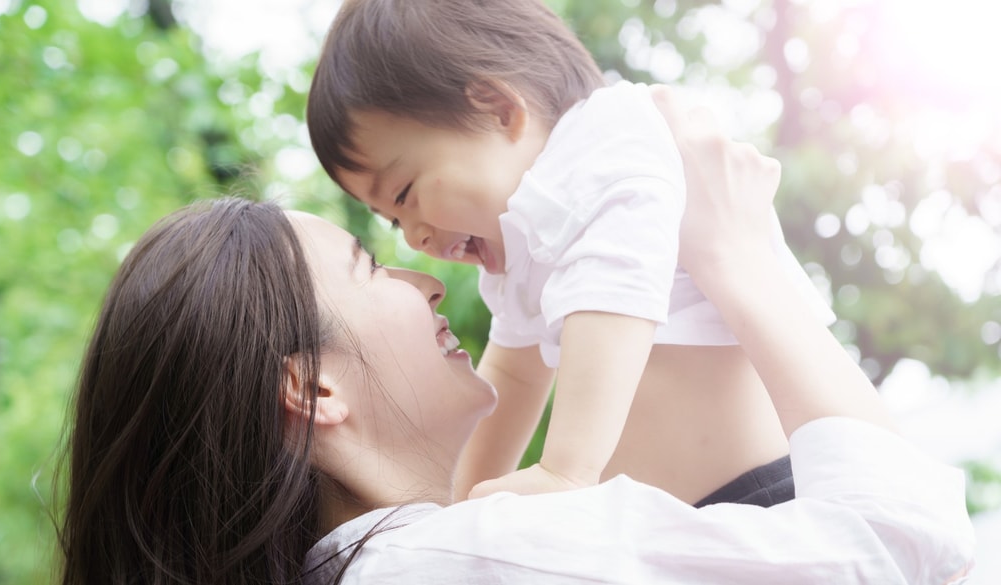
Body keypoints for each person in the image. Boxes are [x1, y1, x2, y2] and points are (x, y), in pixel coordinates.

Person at [57, 87, 975, 584]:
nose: (423, 271)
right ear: (313, 388)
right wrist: (743, 263)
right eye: (372, 267)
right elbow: (899, 546)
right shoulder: (457, 562)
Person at [306, 0, 835, 503]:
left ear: (497, 110)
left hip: (769, 491)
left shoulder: (606, 142)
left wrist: (567, 470)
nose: (412, 237)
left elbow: (616, 285)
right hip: (685, 523)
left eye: (404, 195)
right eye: (393, 221)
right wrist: (455, 502)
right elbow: (513, 376)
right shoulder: (522, 237)